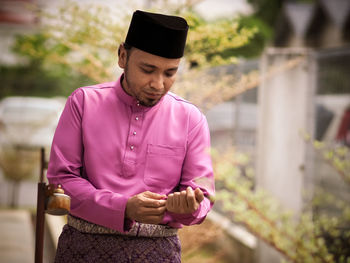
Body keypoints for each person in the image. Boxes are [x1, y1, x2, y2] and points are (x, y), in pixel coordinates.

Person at [47, 9, 215, 263]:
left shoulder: (191, 119)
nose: (158, 84)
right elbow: (62, 180)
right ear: (123, 56)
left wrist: (190, 205)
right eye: (148, 69)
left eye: (169, 73)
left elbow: (202, 194)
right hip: (81, 248)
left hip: (158, 253)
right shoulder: (84, 103)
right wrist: (123, 207)